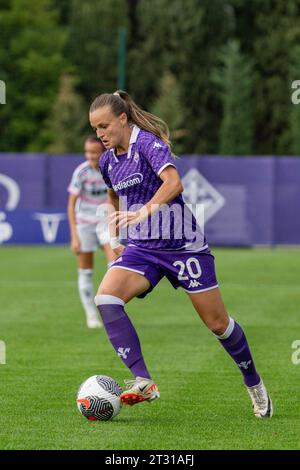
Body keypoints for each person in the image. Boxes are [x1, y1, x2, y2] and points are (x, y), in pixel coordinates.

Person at [90, 90, 273, 418]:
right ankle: (143, 380)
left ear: (122, 118)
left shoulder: (146, 143)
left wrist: (144, 211)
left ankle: (254, 383)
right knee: (105, 299)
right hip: (143, 248)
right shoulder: (107, 161)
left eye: (105, 125)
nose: (100, 134)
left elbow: (174, 183)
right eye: (95, 129)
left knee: (217, 324)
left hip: (182, 245)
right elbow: (112, 196)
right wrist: (115, 234)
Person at [68, 136, 117, 328]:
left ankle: (110, 309)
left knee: (114, 264)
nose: (90, 156)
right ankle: (91, 314)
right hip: (84, 224)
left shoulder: (111, 169)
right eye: (87, 152)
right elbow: (71, 206)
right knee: (86, 271)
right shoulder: (81, 172)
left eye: (94, 152)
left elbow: (113, 198)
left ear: (103, 152)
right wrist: (74, 236)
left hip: (105, 221)